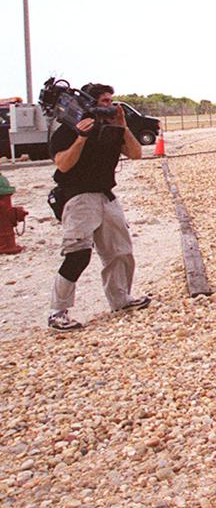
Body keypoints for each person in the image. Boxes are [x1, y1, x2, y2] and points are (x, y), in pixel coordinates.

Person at [46, 82, 151, 331]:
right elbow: (63, 164)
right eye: (105, 101)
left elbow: (136, 154)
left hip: (106, 195)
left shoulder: (112, 129)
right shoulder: (67, 130)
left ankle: (121, 299)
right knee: (78, 254)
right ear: (90, 103)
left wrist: (123, 127)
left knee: (120, 251)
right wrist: (82, 137)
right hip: (78, 197)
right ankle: (57, 312)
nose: (110, 106)